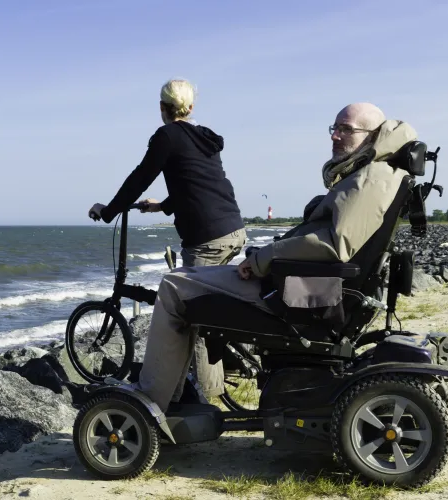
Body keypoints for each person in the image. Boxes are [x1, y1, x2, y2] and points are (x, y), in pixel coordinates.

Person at [131, 103, 420, 412]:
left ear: (373, 135)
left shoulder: (370, 179)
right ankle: (175, 395)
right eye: (334, 129)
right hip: (308, 284)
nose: (335, 137)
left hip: (299, 293)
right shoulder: (377, 172)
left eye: (346, 130)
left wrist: (264, 259)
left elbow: (337, 244)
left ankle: (150, 402)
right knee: (184, 280)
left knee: (174, 286)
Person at [88, 79, 246, 398]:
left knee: (194, 318)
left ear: (162, 108)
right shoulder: (202, 138)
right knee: (202, 308)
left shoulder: (167, 136)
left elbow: (139, 178)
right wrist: (162, 206)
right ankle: (179, 391)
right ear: (190, 108)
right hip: (232, 229)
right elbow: (196, 184)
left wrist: (108, 211)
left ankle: (206, 398)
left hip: (207, 239)